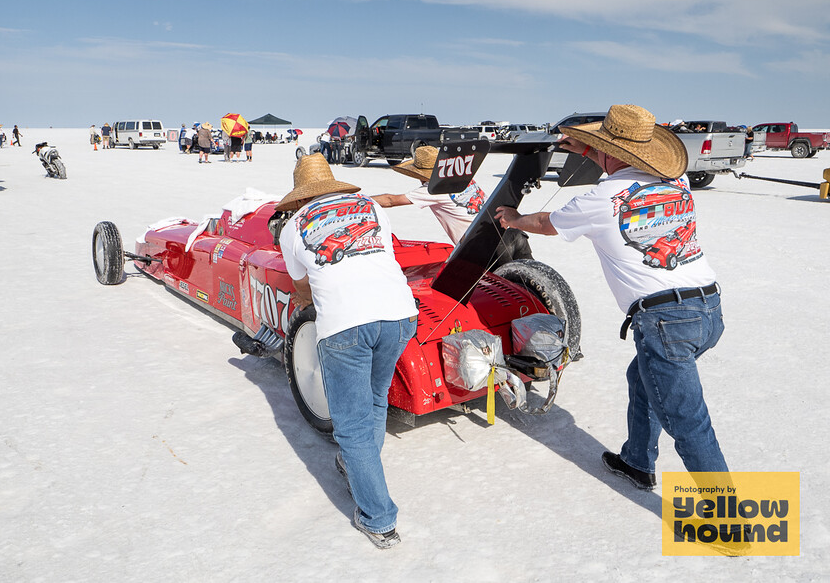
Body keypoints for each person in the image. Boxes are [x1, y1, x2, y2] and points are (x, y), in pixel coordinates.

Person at [495, 104, 729, 489]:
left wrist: (513, 218)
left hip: (665, 320)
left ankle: (729, 519)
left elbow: (545, 223)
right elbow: (620, 165)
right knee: (641, 376)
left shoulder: (602, 198)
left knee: (688, 422)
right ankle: (637, 461)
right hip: (708, 309)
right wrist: (589, 149)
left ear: (610, 151)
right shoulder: (677, 179)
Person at [276, 153, 418, 549]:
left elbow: (303, 289)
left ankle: (378, 519)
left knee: (352, 426)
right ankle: (356, 467)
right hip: (400, 315)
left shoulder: (293, 228)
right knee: (374, 403)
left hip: (345, 324)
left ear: (299, 196)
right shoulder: (369, 206)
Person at [372, 145, 532, 263]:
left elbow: (391, 200)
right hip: (512, 236)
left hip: (485, 248)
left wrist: (359, 198)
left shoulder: (432, 190)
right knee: (536, 286)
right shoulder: (463, 178)